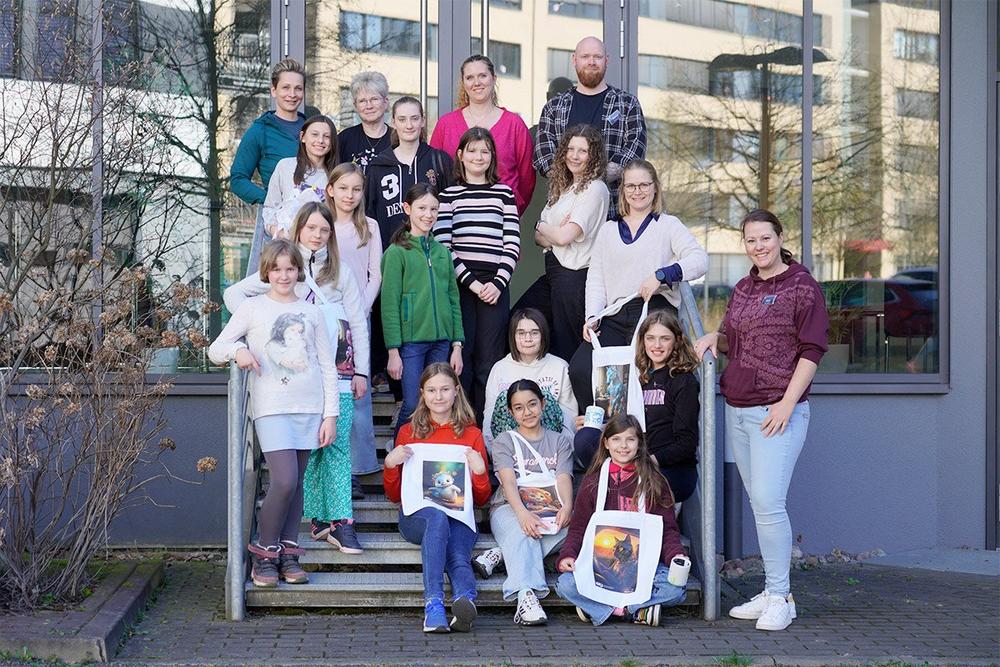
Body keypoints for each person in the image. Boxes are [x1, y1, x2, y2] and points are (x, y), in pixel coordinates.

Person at [694, 209, 829, 632]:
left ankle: (781, 597)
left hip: (776, 412)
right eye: (751, 240)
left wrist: (788, 402)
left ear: (779, 237)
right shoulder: (743, 287)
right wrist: (713, 337)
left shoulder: (802, 286)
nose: (759, 247)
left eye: (765, 238)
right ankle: (773, 593)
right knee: (761, 505)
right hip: (738, 409)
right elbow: (733, 340)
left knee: (769, 503)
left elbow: (812, 350)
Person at [224, 203, 370, 554]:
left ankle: (341, 521)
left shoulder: (341, 272)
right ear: (298, 229)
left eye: (324, 230)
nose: (317, 235)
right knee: (305, 459)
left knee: (335, 445)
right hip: (296, 374)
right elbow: (234, 294)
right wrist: (259, 329)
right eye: (311, 228)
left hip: (337, 371)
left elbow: (358, 321)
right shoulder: (285, 268)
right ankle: (316, 520)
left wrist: (362, 370)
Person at [209, 239, 339, 587]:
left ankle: (288, 553)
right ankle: (264, 553)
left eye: (290, 268)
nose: (284, 275)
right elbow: (216, 348)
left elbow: (327, 366)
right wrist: (238, 351)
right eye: (277, 269)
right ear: (266, 271)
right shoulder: (252, 308)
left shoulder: (312, 312)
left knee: (297, 485)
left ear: (299, 271)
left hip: (310, 408)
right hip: (271, 408)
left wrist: (330, 415)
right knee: (284, 480)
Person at [568, 159, 708, 408]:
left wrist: (662, 275)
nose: (637, 191)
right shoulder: (608, 230)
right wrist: (592, 317)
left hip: (654, 311)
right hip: (615, 314)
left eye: (644, 185)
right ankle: (604, 426)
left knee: (643, 374)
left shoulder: (668, 225)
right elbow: (597, 279)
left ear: (655, 187)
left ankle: (642, 429)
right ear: (623, 190)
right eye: (631, 186)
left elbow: (699, 260)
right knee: (581, 368)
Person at [383, 363, 491, 633]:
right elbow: (395, 495)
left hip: (459, 515)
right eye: (431, 390)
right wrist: (390, 465)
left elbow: (480, 499)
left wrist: (480, 473)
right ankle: (433, 603)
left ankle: (465, 601)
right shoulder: (408, 432)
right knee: (436, 517)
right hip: (417, 518)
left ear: (456, 391)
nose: (438, 396)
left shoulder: (472, 435)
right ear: (422, 393)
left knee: (458, 554)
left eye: (445, 389)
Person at [555, 414, 687, 626]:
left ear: (639, 443)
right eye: (616, 439)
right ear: (606, 443)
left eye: (630, 439)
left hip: (644, 566)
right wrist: (567, 555)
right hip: (602, 569)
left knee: (675, 588)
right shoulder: (593, 482)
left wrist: (676, 555)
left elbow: (668, 530)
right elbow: (578, 528)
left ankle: (602, 609)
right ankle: (636, 611)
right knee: (565, 584)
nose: (623, 446)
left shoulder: (654, 482)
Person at [433, 127, 520, 420]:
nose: (478, 157)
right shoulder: (448, 195)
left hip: (496, 285)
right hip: (460, 286)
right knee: (462, 359)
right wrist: (472, 284)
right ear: (460, 155)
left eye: (485, 151)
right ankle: (462, 424)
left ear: (492, 156)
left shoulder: (504, 194)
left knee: (489, 361)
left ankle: (486, 427)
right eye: (472, 151)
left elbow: (512, 242)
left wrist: (497, 282)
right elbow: (444, 246)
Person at [574, 310, 700, 506]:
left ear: (676, 341)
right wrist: (598, 425)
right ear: (642, 341)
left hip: (666, 466)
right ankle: (615, 489)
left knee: (630, 485)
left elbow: (686, 443)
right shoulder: (634, 375)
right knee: (586, 438)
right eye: (651, 338)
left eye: (664, 338)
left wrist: (647, 462)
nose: (657, 345)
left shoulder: (683, 380)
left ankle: (619, 492)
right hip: (630, 458)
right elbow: (621, 424)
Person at [482, 380, 574, 625]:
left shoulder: (559, 441)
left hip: (550, 507)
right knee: (524, 531)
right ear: (511, 412)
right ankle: (526, 597)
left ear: (542, 404)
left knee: (575, 527)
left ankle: (502, 554)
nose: (527, 412)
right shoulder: (503, 441)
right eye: (519, 408)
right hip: (509, 507)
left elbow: (563, 477)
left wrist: (567, 506)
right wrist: (522, 514)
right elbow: (508, 483)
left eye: (532, 404)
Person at [380, 184, 464, 437]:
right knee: (412, 405)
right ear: (407, 209)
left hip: (441, 343)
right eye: (422, 208)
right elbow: (389, 304)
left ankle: (428, 455)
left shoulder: (443, 253)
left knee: (438, 407)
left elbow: (453, 300)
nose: (428, 215)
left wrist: (457, 346)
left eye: (434, 209)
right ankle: (398, 456)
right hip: (411, 344)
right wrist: (393, 351)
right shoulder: (396, 252)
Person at [533, 37, 646, 218]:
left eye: (597, 57)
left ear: (606, 61)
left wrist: (592, 180)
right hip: (563, 212)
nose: (591, 62)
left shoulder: (627, 104)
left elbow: (635, 149)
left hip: (615, 213)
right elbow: (544, 157)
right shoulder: (554, 107)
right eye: (585, 56)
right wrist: (573, 182)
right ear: (574, 60)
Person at [326, 163, 383, 498]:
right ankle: (331, 466)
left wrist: (361, 308)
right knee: (332, 393)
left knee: (358, 394)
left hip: (358, 317)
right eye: (343, 188)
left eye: (356, 189)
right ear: (331, 189)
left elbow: (375, 273)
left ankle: (357, 470)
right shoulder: (322, 224)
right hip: (327, 318)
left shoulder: (370, 227)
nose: (350, 195)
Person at [533, 125, 609, 361]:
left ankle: (572, 386)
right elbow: (538, 239)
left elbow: (562, 236)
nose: (575, 156)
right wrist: (550, 231)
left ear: (593, 156)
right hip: (554, 270)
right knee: (525, 320)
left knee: (567, 347)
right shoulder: (563, 188)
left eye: (583, 151)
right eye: (571, 149)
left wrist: (541, 225)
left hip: (574, 276)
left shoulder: (595, 189)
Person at [430, 55, 536, 214]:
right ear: (463, 83)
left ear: (494, 78)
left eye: (482, 76)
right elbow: (433, 172)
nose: (476, 82)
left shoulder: (514, 125)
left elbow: (527, 180)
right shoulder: (446, 124)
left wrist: (511, 210)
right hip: (453, 216)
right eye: (469, 77)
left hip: (500, 216)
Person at [481, 308, 578, 454]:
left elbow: (568, 417)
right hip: (511, 449)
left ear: (543, 335)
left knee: (543, 397)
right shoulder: (500, 368)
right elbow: (490, 416)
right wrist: (496, 453)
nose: (528, 339)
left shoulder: (560, 366)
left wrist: (560, 451)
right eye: (521, 333)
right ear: (513, 336)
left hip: (550, 448)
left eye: (534, 333)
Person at [366, 96, 454, 252]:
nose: (409, 125)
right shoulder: (378, 166)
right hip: (390, 253)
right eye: (402, 119)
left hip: (432, 254)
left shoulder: (439, 160)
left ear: (423, 121)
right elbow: (369, 216)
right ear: (393, 122)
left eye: (414, 118)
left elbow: (451, 209)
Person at [230, 58, 307, 206]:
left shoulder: (312, 129)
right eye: (285, 87)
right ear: (274, 91)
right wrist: (270, 199)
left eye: (298, 88)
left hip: (312, 215)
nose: (292, 94)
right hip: (276, 215)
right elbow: (238, 179)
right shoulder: (260, 131)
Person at [262, 115, 338, 239]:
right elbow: (270, 209)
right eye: (315, 134)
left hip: (321, 243)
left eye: (327, 136)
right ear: (303, 137)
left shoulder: (336, 175)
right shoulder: (285, 166)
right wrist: (279, 233)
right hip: (287, 243)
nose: (320, 140)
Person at [338, 71, 392, 173]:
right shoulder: (343, 140)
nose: (369, 106)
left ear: (385, 102)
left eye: (374, 99)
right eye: (362, 101)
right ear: (355, 106)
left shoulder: (398, 139)